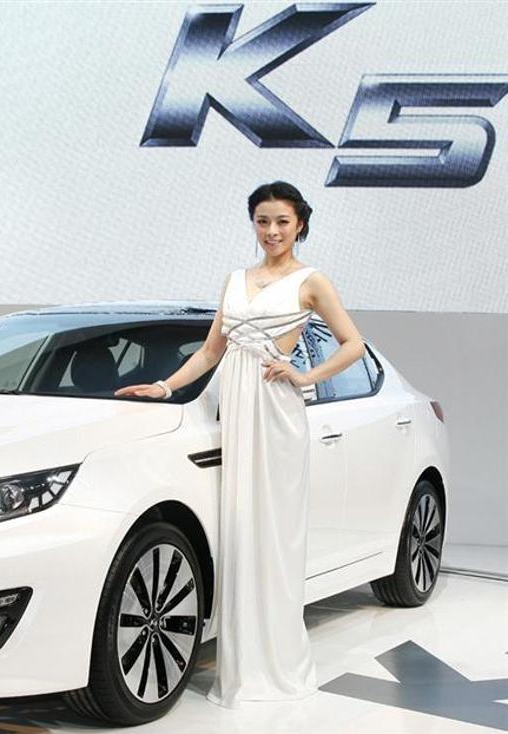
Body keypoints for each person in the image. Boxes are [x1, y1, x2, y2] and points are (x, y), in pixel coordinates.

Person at [115, 181, 366, 708]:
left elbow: (353, 344)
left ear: (300, 224)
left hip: (276, 415)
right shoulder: (234, 281)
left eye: (282, 221)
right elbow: (211, 353)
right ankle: (243, 667)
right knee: (239, 533)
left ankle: (277, 666)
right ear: (253, 223)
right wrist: (164, 386)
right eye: (262, 221)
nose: (271, 231)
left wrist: (305, 376)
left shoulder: (310, 281)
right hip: (235, 414)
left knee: (273, 537)